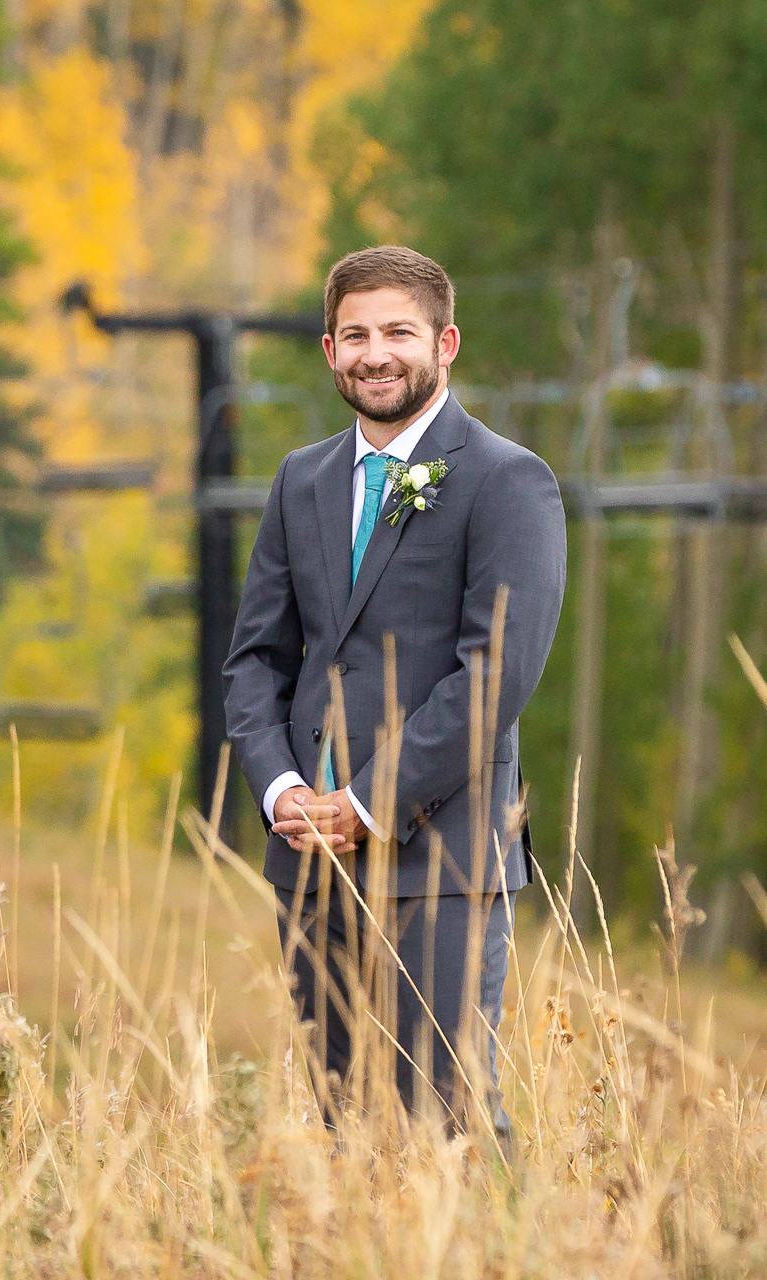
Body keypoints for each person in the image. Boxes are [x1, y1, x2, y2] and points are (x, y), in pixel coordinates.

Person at [223, 245, 566, 1136]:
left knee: (446, 1113)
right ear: (329, 351)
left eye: (398, 332)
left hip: (438, 856)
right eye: (354, 334)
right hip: (306, 858)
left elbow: (496, 672)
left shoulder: (506, 479)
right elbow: (257, 659)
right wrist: (281, 791)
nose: (376, 353)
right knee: (345, 1120)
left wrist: (369, 802)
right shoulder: (299, 478)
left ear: (445, 343)